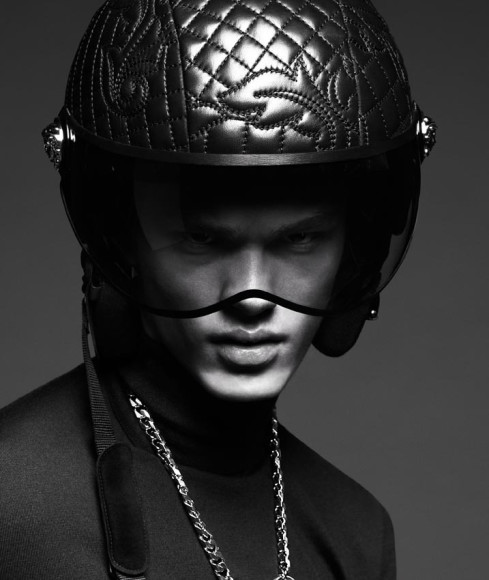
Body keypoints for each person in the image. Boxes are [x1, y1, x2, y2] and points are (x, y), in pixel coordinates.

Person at [0, 0, 436, 578]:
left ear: (356, 250)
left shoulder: (356, 531)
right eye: (202, 239)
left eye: (299, 239)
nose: (251, 297)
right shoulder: (12, 496)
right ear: (122, 244)